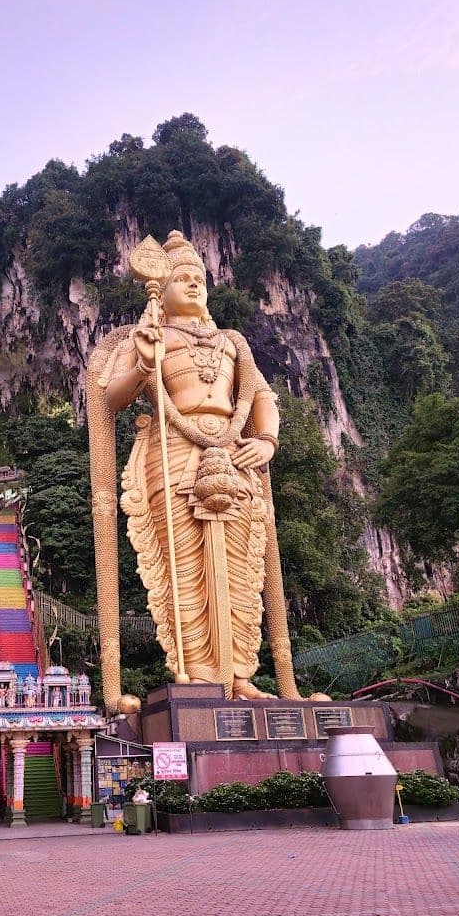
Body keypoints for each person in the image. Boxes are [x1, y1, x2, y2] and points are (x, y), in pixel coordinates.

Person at [91, 230, 284, 701]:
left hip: (234, 451)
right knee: (184, 566)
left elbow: (261, 398)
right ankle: (198, 673)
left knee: (241, 564)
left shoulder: (232, 341)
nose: (194, 284)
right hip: (172, 451)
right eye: (182, 277)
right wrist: (143, 363)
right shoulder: (151, 337)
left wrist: (268, 442)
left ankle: (240, 675)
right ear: (163, 285)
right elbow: (109, 398)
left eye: (199, 277)